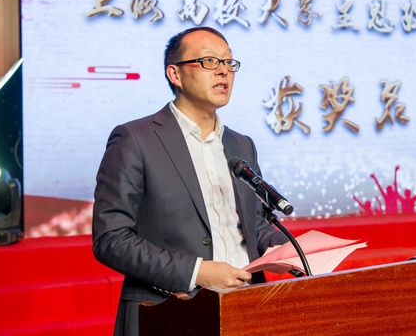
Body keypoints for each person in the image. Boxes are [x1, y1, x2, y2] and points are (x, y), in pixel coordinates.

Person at [92, 26, 288, 335]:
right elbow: (111, 239)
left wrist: (285, 249)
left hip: (246, 308)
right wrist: (196, 272)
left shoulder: (242, 144)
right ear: (175, 74)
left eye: (228, 62)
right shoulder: (135, 139)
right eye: (209, 61)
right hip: (170, 310)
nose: (223, 71)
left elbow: (255, 226)